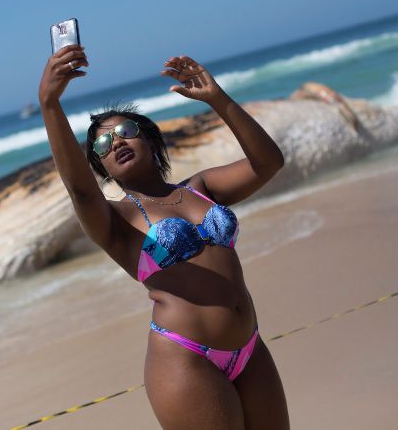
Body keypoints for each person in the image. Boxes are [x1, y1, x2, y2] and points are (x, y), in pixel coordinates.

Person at [38, 44, 290, 429]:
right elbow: (80, 190)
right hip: (187, 361)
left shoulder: (201, 188)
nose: (116, 142)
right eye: (102, 145)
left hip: (250, 347)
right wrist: (50, 104)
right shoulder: (116, 221)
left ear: (151, 141)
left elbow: (268, 162)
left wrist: (217, 99)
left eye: (125, 131)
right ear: (102, 168)